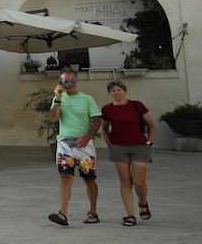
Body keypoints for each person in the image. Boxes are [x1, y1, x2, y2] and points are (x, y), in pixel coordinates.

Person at [47, 70, 102, 226]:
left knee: (89, 178)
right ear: (61, 83)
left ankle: (93, 211)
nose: (70, 84)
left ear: (77, 81)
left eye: (72, 81)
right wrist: (57, 99)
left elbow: (97, 120)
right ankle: (63, 214)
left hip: (84, 145)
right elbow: (53, 118)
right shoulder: (59, 99)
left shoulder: (87, 99)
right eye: (66, 81)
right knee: (65, 178)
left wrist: (87, 136)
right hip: (64, 144)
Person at [100, 80, 156, 226]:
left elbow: (151, 125)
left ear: (125, 91)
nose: (116, 93)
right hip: (119, 148)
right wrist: (110, 145)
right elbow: (104, 129)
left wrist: (149, 142)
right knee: (125, 181)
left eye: (119, 90)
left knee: (139, 182)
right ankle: (129, 215)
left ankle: (143, 203)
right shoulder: (107, 109)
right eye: (113, 91)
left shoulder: (137, 105)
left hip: (139, 146)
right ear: (109, 94)